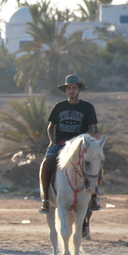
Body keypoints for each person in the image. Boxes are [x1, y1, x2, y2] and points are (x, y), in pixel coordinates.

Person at [39, 74, 100, 213]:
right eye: (68, 88)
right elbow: (51, 127)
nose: (71, 91)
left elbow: (91, 128)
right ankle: (46, 199)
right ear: (65, 91)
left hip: (81, 147)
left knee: (96, 163)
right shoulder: (59, 107)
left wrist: (85, 141)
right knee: (47, 161)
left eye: (74, 88)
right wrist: (51, 142)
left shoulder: (87, 108)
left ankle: (94, 196)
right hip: (61, 144)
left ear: (79, 90)